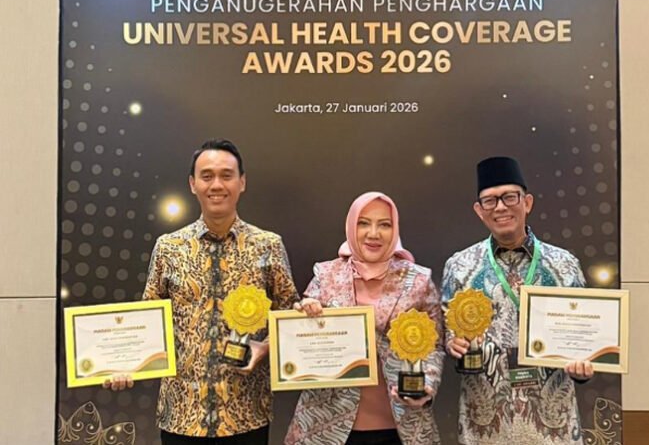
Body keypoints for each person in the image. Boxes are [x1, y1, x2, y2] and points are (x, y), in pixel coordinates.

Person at [105, 139, 299, 444]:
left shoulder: (268, 246)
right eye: (207, 176)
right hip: (182, 416)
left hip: (246, 415)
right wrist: (123, 365)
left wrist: (265, 348)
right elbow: (146, 321)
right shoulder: (169, 248)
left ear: (242, 182)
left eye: (226, 175)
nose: (216, 185)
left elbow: (289, 314)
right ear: (192, 184)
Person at [441, 156, 594, 445]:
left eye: (509, 197)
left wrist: (583, 366)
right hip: (485, 426)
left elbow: (583, 338)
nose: (500, 207)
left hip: (551, 427)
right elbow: (448, 334)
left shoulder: (564, 264)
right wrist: (453, 344)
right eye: (490, 200)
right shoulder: (459, 266)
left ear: (527, 203)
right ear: (479, 211)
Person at [285, 192, 444, 445]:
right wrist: (305, 315)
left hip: (402, 426)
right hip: (326, 427)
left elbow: (434, 345)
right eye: (363, 223)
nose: (373, 233)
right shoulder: (326, 275)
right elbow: (301, 341)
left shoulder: (419, 280)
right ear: (351, 227)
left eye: (384, 224)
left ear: (395, 230)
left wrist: (428, 385)